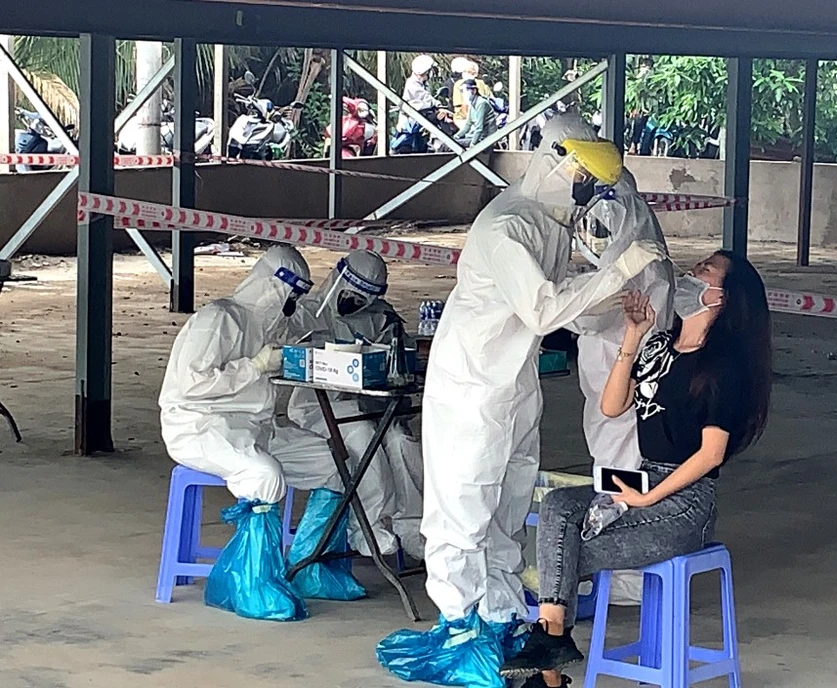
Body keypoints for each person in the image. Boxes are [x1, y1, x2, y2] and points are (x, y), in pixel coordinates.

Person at [376, 115, 667, 688]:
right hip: (472, 385)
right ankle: (460, 628)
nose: (586, 189)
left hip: (515, 383)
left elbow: (568, 308)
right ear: (553, 161)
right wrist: (618, 272)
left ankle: (504, 619)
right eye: (582, 176)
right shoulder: (506, 227)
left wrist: (617, 294)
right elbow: (542, 309)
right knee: (463, 511)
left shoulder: (552, 224)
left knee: (507, 508)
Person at [499, 251, 773, 686]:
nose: (691, 274)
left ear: (722, 297)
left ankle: (549, 669)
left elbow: (710, 455)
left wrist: (648, 497)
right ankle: (550, 650)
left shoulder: (722, 367)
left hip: (686, 500)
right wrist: (634, 334)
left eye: (705, 271)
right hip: (643, 476)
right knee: (558, 506)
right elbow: (612, 406)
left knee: (566, 549)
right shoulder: (660, 346)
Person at [159, 246, 365, 621]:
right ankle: (250, 585)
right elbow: (192, 384)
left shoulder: (268, 326)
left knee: (334, 463)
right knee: (263, 476)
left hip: (255, 428)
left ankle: (310, 567)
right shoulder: (219, 318)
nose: (293, 303)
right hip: (200, 425)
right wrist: (255, 366)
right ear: (272, 284)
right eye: (293, 293)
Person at [571, 168, 676, 604]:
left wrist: (561, 299)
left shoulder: (628, 250)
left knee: (623, 473)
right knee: (612, 467)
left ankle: (628, 575)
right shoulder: (633, 240)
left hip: (624, 373)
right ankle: (620, 567)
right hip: (610, 375)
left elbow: (592, 312)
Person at [287, 249, 424, 559]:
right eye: (349, 294)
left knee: (400, 439)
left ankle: (411, 526)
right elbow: (287, 355)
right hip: (318, 407)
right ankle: (367, 526)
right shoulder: (306, 313)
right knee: (362, 436)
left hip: (371, 403)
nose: (353, 303)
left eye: (362, 299)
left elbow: (402, 356)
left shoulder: (381, 317)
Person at [399, 54, 438, 131]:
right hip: (411, 122)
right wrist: (437, 104)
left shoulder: (424, 83)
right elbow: (425, 98)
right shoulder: (412, 84)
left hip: (420, 119)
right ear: (426, 72)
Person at [455, 79, 497, 148]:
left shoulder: (481, 103)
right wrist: (456, 136)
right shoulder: (472, 105)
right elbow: (467, 125)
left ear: (474, 91)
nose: (463, 94)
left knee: (447, 147)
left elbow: (479, 128)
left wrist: (473, 144)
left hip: (485, 139)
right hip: (478, 138)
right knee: (450, 144)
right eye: (461, 91)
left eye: (465, 91)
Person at [452, 58, 493, 122]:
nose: (466, 74)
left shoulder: (482, 84)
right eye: (465, 71)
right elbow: (459, 106)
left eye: (470, 72)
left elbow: (491, 99)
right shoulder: (459, 84)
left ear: (476, 74)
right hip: (464, 118)